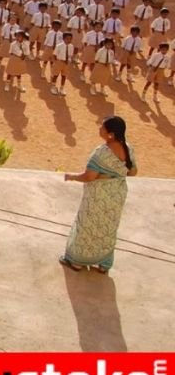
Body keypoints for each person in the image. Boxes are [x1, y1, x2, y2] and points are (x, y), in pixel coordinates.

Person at [59, 116, 137, 273]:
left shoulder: (101, 153)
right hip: (117, 194)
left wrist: (72, 177)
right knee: (108, 228)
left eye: (102, 128)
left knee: (87, 226)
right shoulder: (128, 148)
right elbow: (133, 172)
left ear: (111, 134)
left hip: (98, 195)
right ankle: (104, 264)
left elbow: (89, 177)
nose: (99, 129)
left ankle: (77, 262)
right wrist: (114, 175)